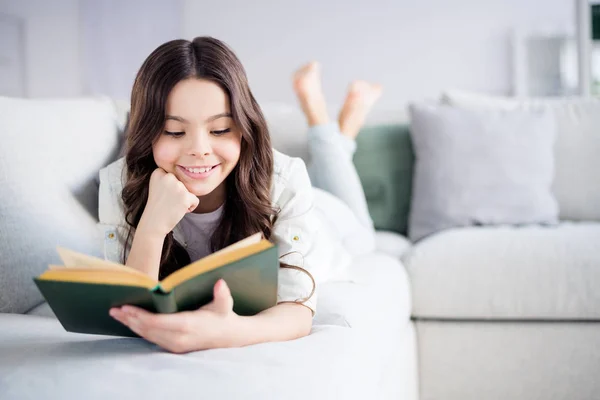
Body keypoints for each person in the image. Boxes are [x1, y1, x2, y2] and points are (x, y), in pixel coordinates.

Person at [98, 37, 381, 354]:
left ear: (244, 127)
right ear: (147, 131)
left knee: (364, 230)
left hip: (331, 223)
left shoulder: (285, 179)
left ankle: (325, 118)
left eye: (219, 130)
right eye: (174, 131)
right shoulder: (117, 182)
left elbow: (297, 313)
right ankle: (342, 126)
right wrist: (151, 226)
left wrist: (228, 332)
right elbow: (128, 313)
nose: (199, 149)